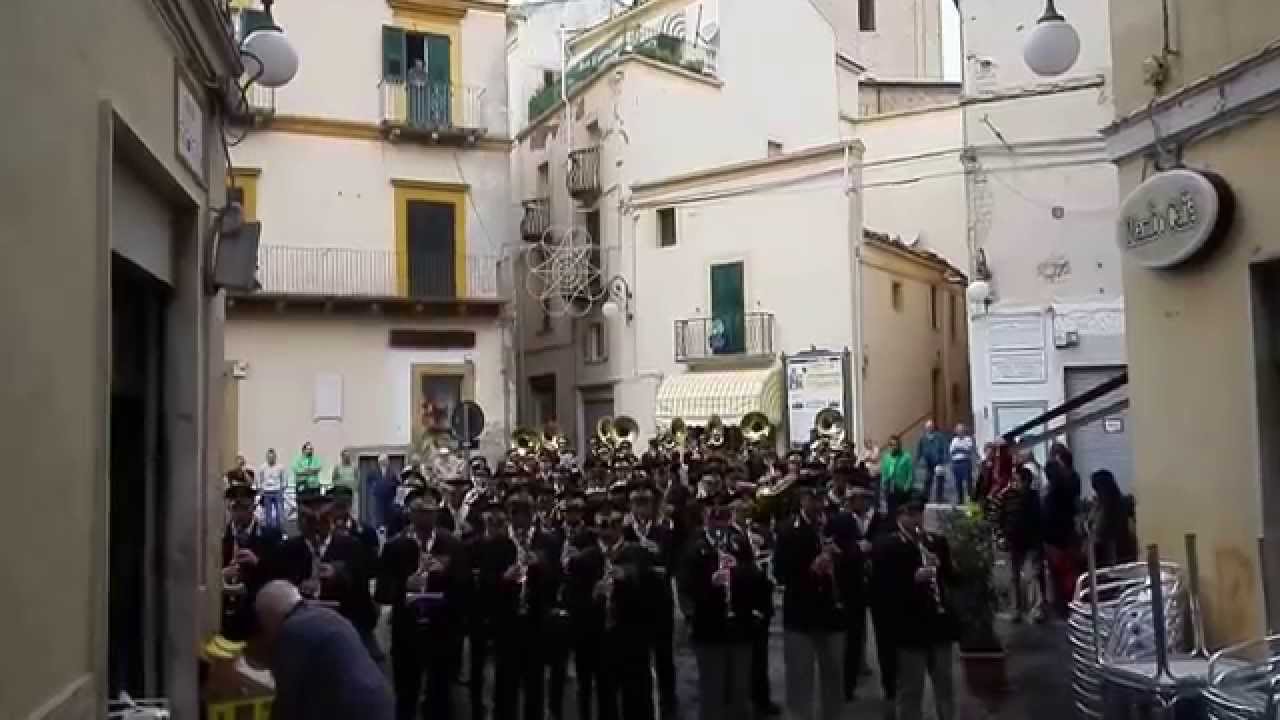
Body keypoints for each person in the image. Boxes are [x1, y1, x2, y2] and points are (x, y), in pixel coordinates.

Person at [376, 484, 469, 720]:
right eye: (419, 511)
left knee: (440, 695)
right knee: (406, 695)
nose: (424, 516)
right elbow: (382, 592)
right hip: (407, 630)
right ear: (410, 513)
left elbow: (466, 587)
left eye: (429, 511)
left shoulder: (452, 545)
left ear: (437, 513)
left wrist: (446, 576)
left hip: (441, 630)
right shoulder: (395, 546)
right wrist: (404, 586)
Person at [679, 493, 768, 720]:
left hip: (740, 625)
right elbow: (686, 586)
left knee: (740, 687)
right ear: (707, 522)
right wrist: (711, 581)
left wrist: (736, 573)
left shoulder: (739, 543)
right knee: (711, 688)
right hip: (708, 627)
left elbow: (756, 577)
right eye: (715, 522)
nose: (720, 528)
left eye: (724, 521)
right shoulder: (694, 547)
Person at [475, 485, 560, 720]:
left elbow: (558, 582)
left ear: (533, 512)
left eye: (525, 510)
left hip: (536, 623)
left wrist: (541, 567)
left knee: (535, 687)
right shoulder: (495, 544)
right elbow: (483, 586)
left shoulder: (548, 542)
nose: (520, 516)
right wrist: (503, 578)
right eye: (514, 510)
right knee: (505, 688)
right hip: (506, 624)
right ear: (508, 513)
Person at [252, 581, 394, 720]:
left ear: (270, 614)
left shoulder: (292, 631)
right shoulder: (325, 615)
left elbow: (288, 698)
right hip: (380, 701)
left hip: (352, 710)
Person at [873, 493, 958, 720]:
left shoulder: (936, 542)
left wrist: (944, 567)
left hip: (938, 626)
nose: (916, 519)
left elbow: (952, 579)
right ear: (899, 516)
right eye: (910, 514)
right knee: (911, 689)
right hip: (910, 629)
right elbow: (883, 588)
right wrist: (912, 579)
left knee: (945, 686)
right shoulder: (887, 546)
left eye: (919, 513)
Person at [270, 487, 379, 658]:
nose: (314, 527)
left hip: (341, 632)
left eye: (320, 521)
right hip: (300, 633)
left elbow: (362, 596)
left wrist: (340, 575)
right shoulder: (287, 550)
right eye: (308, 520)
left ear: (330, 520)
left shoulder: (352, 547)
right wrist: (296, 589)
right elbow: (275, 591)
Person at [775, 482, 845, 720]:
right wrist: (810, 569)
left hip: (833, 611)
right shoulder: (788, 530)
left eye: (820, 498)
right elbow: (780, 573)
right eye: (811, 498)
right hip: (801, 612)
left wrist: (841, 557)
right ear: (802, 500)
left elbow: (858, 558)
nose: (816, 503)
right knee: (800, 674)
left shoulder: (837, 524)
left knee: (834, 672)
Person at [588, 503, 658, 720]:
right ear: (596, 528)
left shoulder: (639, 553)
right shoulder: (586, 558)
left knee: (638, 698)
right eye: (603, 525)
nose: (609, 530)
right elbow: (573, 599)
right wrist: (593, 595)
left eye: (615, 524)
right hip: (600, 639)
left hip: (633, 637)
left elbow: (654, 595)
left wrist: (628, 578)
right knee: (605, 698)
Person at [624, 484, 679, 720]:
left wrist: (654, 560)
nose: (641, 506)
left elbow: (671, 566)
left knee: (664, 658)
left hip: (660, 603)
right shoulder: (624, 532)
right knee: (635, 659)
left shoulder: (664, 533)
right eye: (636, 501)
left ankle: (669, 706)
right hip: (633, 605)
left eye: (645, 501)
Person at [829, 485, 885, 701]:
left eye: (857, 499)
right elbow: (832, 545)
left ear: (867, 500)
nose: (852, 503)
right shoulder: (840, 520)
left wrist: (873, 547)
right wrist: (853, 549)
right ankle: (847, 686)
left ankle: (890, 686)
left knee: (884, 636)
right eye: (851, 499)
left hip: (879, 586)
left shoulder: (882, 520)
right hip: (850, 585)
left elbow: (889, 544)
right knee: (852, 636)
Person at [547, 491, 598, 720]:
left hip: (583, 607)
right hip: (557, 607)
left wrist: (581, 559)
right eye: (568, 511)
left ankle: (585, 711)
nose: (572, 515)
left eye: (576, 510)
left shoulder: (593, 537)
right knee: (556, 668)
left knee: (585, 667)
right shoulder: (551, 536)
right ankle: (554, 711)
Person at [221, 483, 281, 640]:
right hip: (221, 612)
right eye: (235, 508)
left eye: (245, 508)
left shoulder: (271, 536)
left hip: (255, 614)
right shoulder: (218, 536)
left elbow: (279, 577)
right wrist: (221, 574)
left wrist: (258, 563)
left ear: (253, 508)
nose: (240, 513)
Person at [997, 465, 1046, 623]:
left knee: (1032, 575)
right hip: (1014, 541)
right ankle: (1016, 609)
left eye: (1017, 480)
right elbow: (1000, 516)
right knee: (1014, 577)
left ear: (1026, 482)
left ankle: (1036, 609)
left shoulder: (1033, 498)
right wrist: (1001, 535)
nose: (1014, 483)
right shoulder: (1007, 496)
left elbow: (1038, 520)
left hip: (1031, 541)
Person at [1042, 443, 1082, 618]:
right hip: (1064, 531)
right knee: (1065, 572)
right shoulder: (1073, 478)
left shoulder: (1060, 483)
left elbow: (1053, 476)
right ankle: (1068, 603)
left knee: (1061, 572)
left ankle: (1065, 605)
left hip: (1056, 533)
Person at [1090, 469, 1138, 568]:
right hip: (1127, 557)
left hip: (1111, 559)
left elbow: (1098, 531)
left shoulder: (1106, 509)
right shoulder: (1123, 503)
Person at [880, 435, 914, 517]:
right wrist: (883, 485)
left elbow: (910, 473)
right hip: (889, 488)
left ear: (899, 445)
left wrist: (907, 486)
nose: (893, 447)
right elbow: (884, 473)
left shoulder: (906, 457)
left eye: (895, 444)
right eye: (891, 445)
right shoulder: (886, 457)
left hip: (902, 488)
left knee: (902, 511)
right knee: (891, 510)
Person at [916, 420, 949, 503]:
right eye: (928, 426)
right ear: (925, 428)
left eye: (931, 426)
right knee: (927, 480)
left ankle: (939, 498)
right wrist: (918, 460)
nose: (929, 428)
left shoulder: (939, 436)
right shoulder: (922, 438)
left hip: (938, 462)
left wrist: (944, 459)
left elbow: (945, 447)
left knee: (940, 480)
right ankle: (925, 498)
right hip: (928, 463)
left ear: (933, 427)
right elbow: (919, 450)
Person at [366, 454, 398, 532]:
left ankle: (388, 527)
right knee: (378, 511)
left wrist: (391, 485)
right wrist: (373, 487)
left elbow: (397, 483)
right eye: (382, 461)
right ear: (379, 462)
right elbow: (369, 480)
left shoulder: (392, 472)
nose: (384, 462)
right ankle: (379, 527)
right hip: (378, 495)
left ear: (387, 462)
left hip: (389, 496)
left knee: (388, 512)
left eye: (385, 461)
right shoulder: (374, 471)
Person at [258, 448, 288, 532]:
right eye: (269, 457)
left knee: (280, 513)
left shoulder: (281, 467)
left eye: (272, 457)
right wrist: (261, 489)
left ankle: (280, 531)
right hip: (266, 493)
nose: (270, 458)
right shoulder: (262, 467)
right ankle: (269, 532)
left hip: (277, 492)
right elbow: (260, 480)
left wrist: (282, 489)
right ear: (266, 457)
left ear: (275, 457)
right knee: (268, 514)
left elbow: (285, 480)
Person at [948, 424, 976, 505]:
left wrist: (959, 448)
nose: (960, 432)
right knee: (958, 482)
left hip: (965, 462)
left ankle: (971, 499)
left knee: (968, 482)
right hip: (956, 463)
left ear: (964, 431)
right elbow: (951, 451)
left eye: (961, 430)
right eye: (958, 430)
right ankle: (960, 500)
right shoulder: (954, 440)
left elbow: (968, 449)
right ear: (956, 431)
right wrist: (961, 448)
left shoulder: (968, 439)